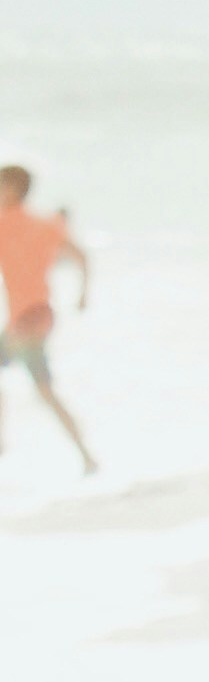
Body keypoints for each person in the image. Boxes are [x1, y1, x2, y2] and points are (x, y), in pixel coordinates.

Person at [0, 164, 97, 471]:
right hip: (38, 315)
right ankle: (85, 455)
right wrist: (83, 295)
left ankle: (86, 456)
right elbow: (81, 256)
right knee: (43, 390)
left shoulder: (5, 223)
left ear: (13, 189)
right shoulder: (45, 226)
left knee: (43, 390)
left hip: (28, 320)